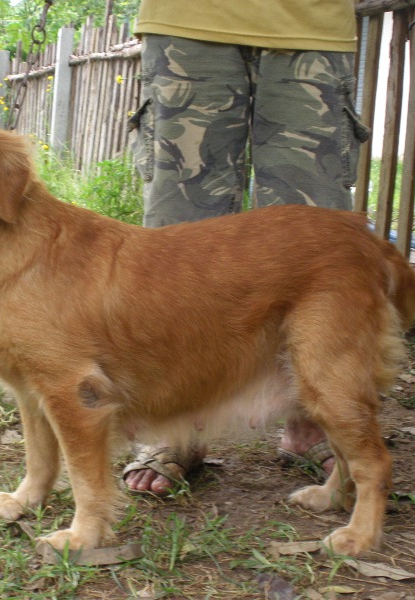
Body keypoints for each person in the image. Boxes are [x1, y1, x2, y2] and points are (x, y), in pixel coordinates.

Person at [124, 0, 370, 493]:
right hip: (188, 18)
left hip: (312, 22)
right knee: (181, 248)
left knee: (311, 246)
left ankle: (310, 421)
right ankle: (180, 425)